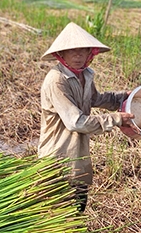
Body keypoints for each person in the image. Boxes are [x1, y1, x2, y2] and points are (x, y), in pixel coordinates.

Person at [37, 22, 134, 212]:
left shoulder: (86, 75)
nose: (78, 56)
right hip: (57, 154)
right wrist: (116, 119)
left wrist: (124, 97)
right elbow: (75, 122)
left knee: (78, 207)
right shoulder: (57, 80)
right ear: (61, 54)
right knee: (55, 212)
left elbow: (95, 99)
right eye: (72, 51)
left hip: (78, 154)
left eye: (83, 50)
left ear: (90, 53)